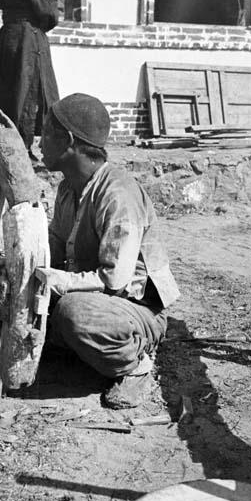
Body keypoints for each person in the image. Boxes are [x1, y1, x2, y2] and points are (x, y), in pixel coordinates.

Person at [36, 94, 180, 410]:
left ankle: (136, 363)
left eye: (47, 132)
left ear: (69, 140)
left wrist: (54, 280)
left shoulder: (118, 194)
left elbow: (114, 280)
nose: (39, 141)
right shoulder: (67, 188)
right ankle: (76, 346)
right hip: (94, 299)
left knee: (73, 314)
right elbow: (54, 248)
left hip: (134, 310)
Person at [0, 0, 59, 157]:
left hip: (9, 34)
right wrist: (48, 20)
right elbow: (47, 9)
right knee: (28, 90)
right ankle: (23, 148)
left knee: (10, 90)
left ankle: (10, 146)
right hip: (27, 36)